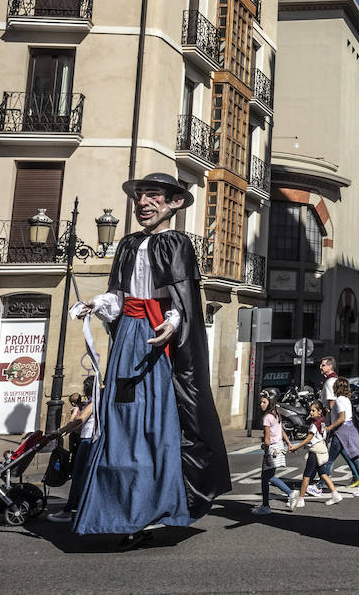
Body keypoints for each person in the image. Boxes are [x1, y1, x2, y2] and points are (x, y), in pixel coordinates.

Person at [70, 172, 231, 542]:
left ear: (174, 202)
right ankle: (119, 508)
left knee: (156, 420)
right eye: (139, 196)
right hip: (129, 337)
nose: (142, 203)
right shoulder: (127, 244)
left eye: (152, 195)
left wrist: (173, 322)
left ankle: (155, 504)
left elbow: (183, 299)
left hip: (157, 340)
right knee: (121, 417)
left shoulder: (177, 243)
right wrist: (96, 304)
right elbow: (118, 295)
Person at [47, 381, 97, 522]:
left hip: (87, 441)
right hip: (93, 440)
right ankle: (81, 506)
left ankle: (68, 510)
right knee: (87, 476)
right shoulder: (99, 401)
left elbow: (79, 420)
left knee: (78, 475)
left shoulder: (94, 402)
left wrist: (60, 430)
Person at [286, 400, 342, 509]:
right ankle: (336, 495)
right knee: (323, 474)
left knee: (306, 476)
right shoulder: (322, 422)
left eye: (313, 410)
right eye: (310, 410)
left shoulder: (314, 425)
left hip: (315, 452)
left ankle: (301, 500)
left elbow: (309, 439)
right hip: (322, 450)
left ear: (319, 411)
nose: (311, 413)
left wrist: (296, 447)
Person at [326, 378, 359, 496]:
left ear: (337, 387)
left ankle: (320, 485)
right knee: (354, 457)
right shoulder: (346, 399)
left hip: (341, 431)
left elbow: (341, 418)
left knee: (329, 460)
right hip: (349, 428)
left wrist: (329, 428)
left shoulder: (339, 400)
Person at [252, 389, 293, 515]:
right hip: (279, 446)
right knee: (267, 477)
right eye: (261, 402)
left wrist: (266, 451)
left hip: (272, 449)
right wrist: (288, 443)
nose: (261, 404)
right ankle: (266, 505)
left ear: (270, 402)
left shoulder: (266, 418)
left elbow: (267, 439)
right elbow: (281, 430)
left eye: (264, 402)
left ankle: (290, 493)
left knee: (267, 477)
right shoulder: (276, 414)